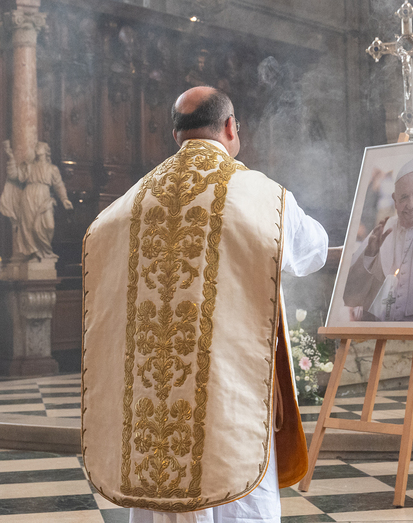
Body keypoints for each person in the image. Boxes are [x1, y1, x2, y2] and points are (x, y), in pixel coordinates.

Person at [81, 86, 328, 523]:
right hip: (229, 395)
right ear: (231, 127)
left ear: (176, 134)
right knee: (238, 497)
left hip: (151, 407)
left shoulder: (129, 203)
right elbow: (314, 251)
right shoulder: (262, 196)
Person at [342, 157, 413, 322]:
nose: (410, 203)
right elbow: (349, 293)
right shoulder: (386, 226)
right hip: (383, 320)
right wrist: (370, 253)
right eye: (403, 197)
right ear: (395, 200)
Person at [0, 140, 73, 261]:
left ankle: (46, 252)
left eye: (40, 146)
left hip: (44, 197)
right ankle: (34, 253)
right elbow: (14, 175)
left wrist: (64, 199)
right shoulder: (29, 166)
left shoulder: (52, 169)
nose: (37, 148)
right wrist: (11, 157)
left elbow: (59, 185)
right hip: (28, 196)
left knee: (49, 226)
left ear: (46, 151)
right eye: (36, 146)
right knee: (28, 226)